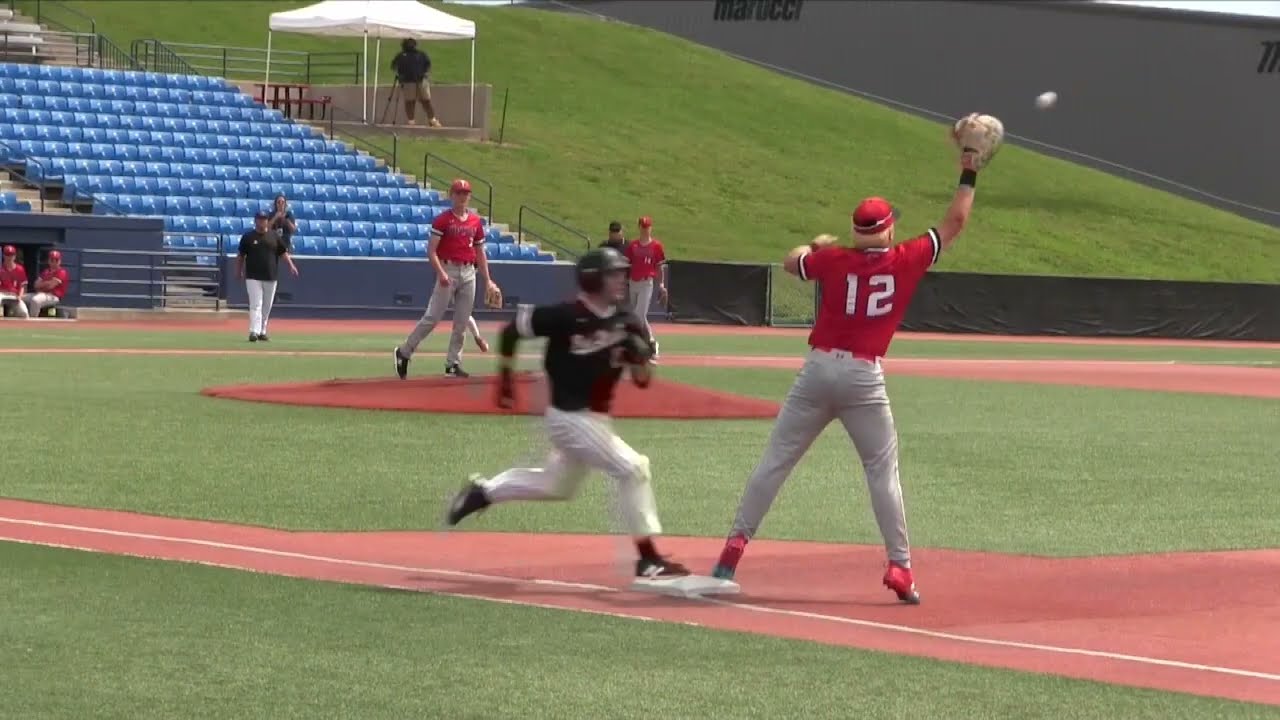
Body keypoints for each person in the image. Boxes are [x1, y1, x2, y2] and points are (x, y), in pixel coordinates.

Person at [710, 148, 984, 605]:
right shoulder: (906, 257)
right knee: (881, 472)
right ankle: (899, 566)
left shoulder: (834, 260)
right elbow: (955, 222)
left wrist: (815, 247)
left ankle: (733, 549)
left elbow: (790, 261)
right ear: (888, 229)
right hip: (863, 377)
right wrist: (969, 169)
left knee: (776, 460)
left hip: (817, 371)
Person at [444, 247, 692, 582]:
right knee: (634, 468)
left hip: (596, 422)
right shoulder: (565, 316)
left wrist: (640, 359)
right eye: (613, 273)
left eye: (622, 273)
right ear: (592, 278)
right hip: (568, 417)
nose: (622, 279)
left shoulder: (628, 322)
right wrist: (505, 379)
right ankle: (648, 559)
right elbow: (511, 331)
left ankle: (484, 492)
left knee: (556, 486)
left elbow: (643, 382)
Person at [393, 179, 501, 379]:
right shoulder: (443, 220)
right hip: (448, 268)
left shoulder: (475, 222)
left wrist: (488, 280)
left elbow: (480, 252)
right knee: (432, 317)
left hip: (469, 272)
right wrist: (441, 273)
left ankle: (453, 364)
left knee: (461, 322)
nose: (462, 196)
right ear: (451, 195)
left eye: (465, 193)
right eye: (458, 193)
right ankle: (404, 352)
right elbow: (431, 251)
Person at [237, 210, 300, 342]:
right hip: (253, 276)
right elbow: (241, 255)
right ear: (255, 221)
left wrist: (291, 265)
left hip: (271, 276)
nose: (262, 221)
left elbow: (283, 253)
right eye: (259, 219)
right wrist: (239, 270)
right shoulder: (248, 237)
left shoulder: (274, 236)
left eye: (264, 219)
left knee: (267, 306)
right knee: (256, 305)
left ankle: (262, 330)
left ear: (267, 220)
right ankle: (253, 331)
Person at [623, 216, 668, 359]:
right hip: (633, 282)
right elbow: (626, 264)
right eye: (643, 227)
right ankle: (652, 343)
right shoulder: (633, 245)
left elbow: (660, 267)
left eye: (647, 227)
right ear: (639, 227)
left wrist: (661, 284)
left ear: (651, 228)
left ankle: (634, 347)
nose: (645, 229)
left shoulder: (656, 246)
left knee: (638, 315)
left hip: (646, 282)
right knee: (639, 316)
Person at [390, 38, 443, 128]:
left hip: (421, 81)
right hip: (408, 82)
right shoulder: (401, 56)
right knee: (410, 102)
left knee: (426, 101)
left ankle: (432, 120)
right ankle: (411, 121)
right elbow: (394, 66)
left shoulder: (421, 54)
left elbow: (428, 64)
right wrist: (400, 74)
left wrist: (425, 73)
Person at [23, 249, 69, 318]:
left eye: (56, 260)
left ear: (60, 261)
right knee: (22, 298)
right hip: (40, 294)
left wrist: (42, 284)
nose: (54, 262)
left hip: (53, 296)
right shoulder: (46, 272)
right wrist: (47, 283)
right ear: (49, 261)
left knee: (35, 300)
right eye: (52, 260)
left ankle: (32, 320)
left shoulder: (62, 272)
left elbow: (51, 286)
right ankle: (22, 320)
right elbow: (36, 285)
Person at [0, 244, 29, 319]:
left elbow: (23, 286)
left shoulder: (20, 269)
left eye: (11, 255)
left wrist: (20, 296)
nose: (9, 257)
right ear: (4, 256)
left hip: (15, 295)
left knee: (24, 313)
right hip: (2, 294)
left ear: (14, 256)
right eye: (7, 255)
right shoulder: (1, 269)